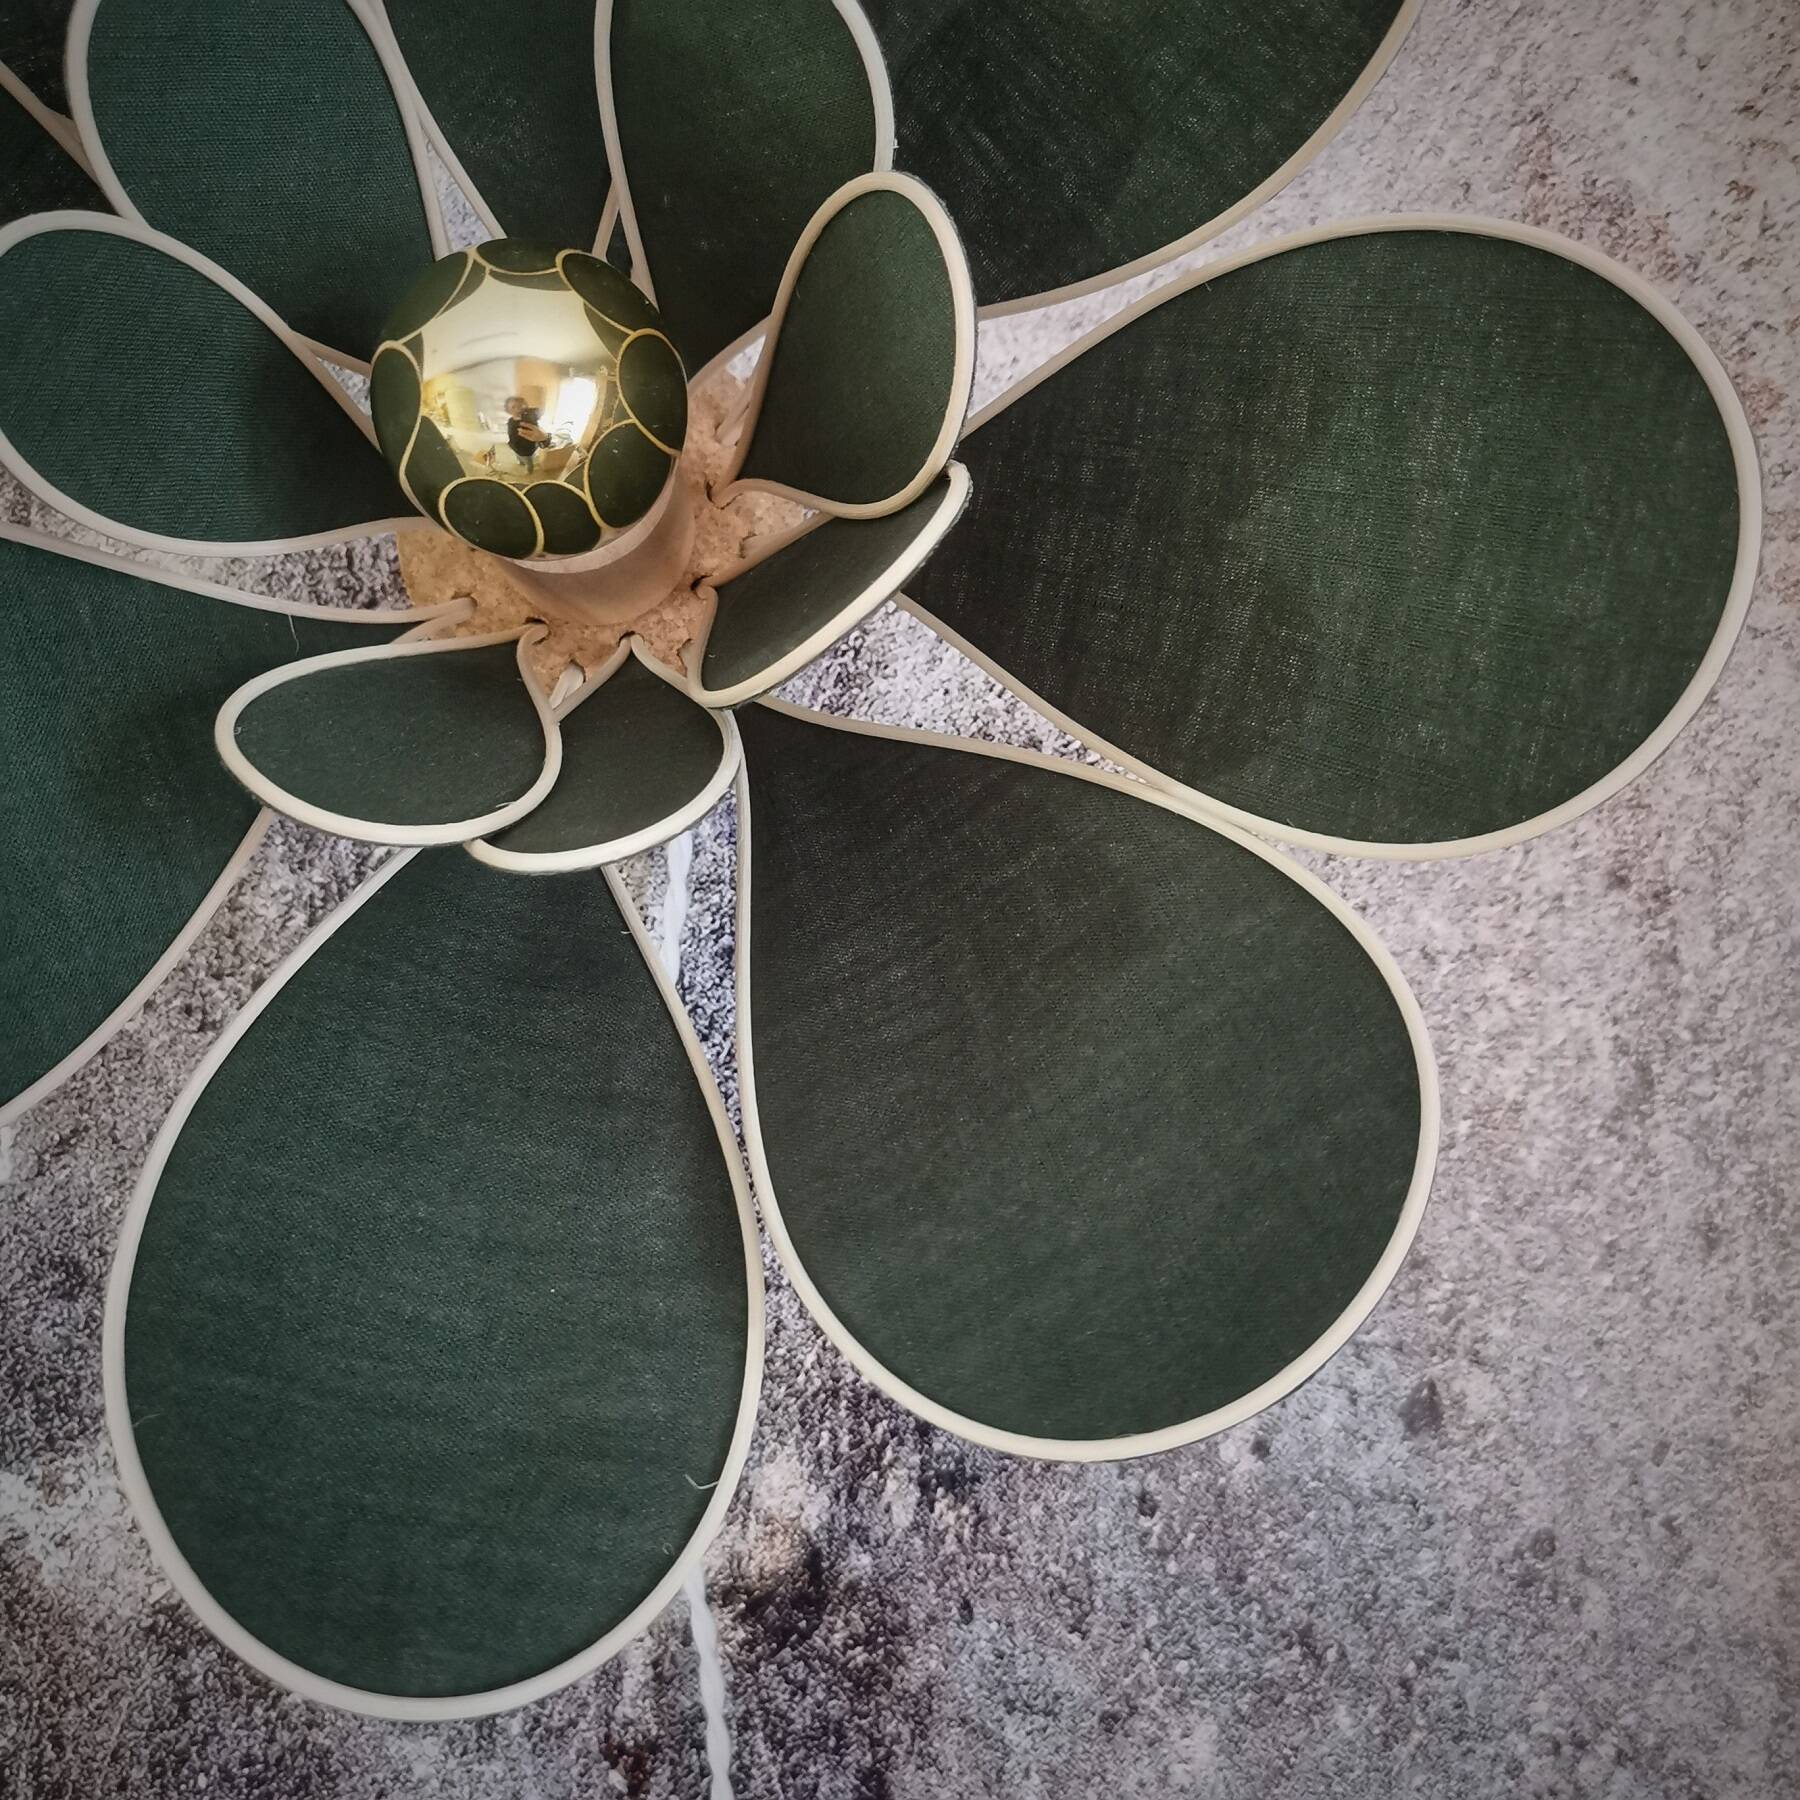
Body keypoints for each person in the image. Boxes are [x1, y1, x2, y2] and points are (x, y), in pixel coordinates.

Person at [504, 395, 549, 471]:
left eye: (521, 406)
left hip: (528, 449)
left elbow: (539, 412)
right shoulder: (510, 421)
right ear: (508, 411)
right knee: (519, 457)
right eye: (513, 407)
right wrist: (510, 443)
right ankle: (521, 462)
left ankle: (529, 470)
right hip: (516, 447)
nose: (518, 409)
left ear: (526, 406)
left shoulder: (530, 417)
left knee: (528, 461)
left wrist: (532, 412)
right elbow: (510, 434)